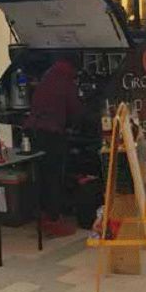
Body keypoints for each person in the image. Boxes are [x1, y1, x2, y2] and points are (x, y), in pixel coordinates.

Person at [24, 55, 84, 236]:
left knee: (41, 175)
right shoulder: (67, 82)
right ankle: (54, 220)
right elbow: (76, 112)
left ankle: (42, 216)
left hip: (34, 131)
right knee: (54, 177)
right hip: (51, 133)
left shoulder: (47, 76)